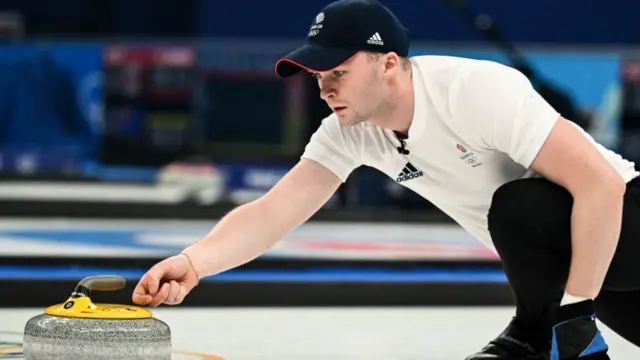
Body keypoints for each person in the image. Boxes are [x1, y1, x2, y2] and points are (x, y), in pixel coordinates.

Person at [132, 1, 640, 359]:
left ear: (388, 64)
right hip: (579, 266)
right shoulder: (349, 132)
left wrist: (571, 317)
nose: (326, 89)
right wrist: (194, 262)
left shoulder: (476, 89)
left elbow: (601, 186)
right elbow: (273, 213)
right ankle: (541, 331)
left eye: (338, 72)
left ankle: (534, 332)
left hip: (623, 225)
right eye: (318, 77)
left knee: (517, 205)